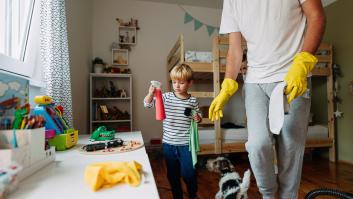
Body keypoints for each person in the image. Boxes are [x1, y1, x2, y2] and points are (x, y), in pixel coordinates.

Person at [209, 0, 325, 198]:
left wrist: (303, 62)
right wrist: (227, 84)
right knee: (257, 144)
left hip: (292, 79)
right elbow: (235, 49)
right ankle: (268, 195)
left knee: (290, 150)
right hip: (255, 81)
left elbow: (317, 16)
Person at [144, 64, 202, 199]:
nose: (177, 85)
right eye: (174, 82)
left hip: (186, 145)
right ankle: (177, 196)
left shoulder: (192, 100)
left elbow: (199, 118)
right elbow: (147, 104)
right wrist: (150, 93)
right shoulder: (166, 97)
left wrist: (197, 117)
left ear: (189, 83)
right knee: (173, 175)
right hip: (169, 145)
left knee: (190, 174)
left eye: (181, 83)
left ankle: (193, 194)